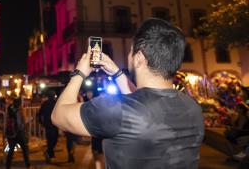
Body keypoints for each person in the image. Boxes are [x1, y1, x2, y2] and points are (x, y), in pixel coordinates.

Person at [51, 18, 205, 168]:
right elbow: (144, 102)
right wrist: (116, 72)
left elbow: (58, 115)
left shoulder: (116, 109)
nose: (129, 56)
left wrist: (79, 73)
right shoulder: (193, 108)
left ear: (139, 58)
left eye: (131, 51)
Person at [5, 97, 32, 169]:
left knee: (11, 150)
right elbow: (24, 122)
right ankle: (28, 165)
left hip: (11, 133)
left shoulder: (10, 108)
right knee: (25, 149)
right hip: (19, 132)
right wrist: (26, 131)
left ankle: (8, 166)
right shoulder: (20, 110)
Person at [37, 91, 58, 162]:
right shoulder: (45, 104)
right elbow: (39, 114)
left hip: (54, 124)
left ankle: (49, 151)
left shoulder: (56, 103)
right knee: (51, 139)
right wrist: (41, 122)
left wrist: (41, 122)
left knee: (54, 139)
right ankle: (50, 153)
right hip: (49, 124)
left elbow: (39, 114)